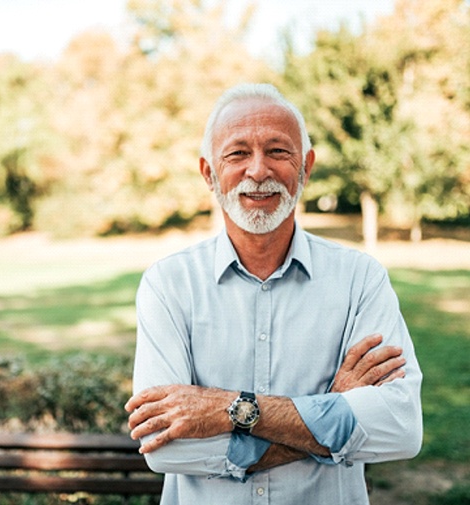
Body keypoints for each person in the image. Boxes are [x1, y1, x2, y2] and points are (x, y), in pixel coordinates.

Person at [124, 83, 422, 505]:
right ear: (209, 173)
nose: (258, 170)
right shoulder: (168, 284)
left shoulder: (361, 279)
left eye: (279, 151)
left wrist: (228, 409)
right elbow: (164, 444)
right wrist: (329, 411)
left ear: (306, 167)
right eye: (238, 153)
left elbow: (399, 427)